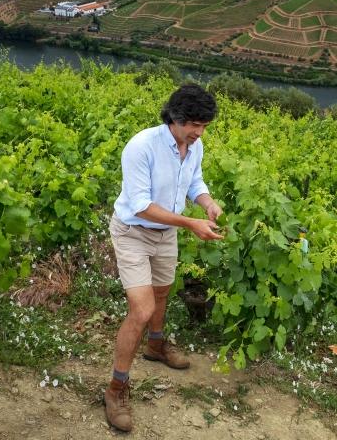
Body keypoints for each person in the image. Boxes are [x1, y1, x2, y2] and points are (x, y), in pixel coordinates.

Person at [104, 83, 224, 433]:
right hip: (133, 232)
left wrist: (207, 203)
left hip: (166, 233)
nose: (199, 133)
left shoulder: (194, 146)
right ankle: (116, 389)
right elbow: (141, 205)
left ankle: (155, 346)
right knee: (141, 309)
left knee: (162, 293)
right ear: (175, 117)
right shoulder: (142, 146)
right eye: (194, 125)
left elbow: (194, 182)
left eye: (204, 126)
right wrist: (190, 223)